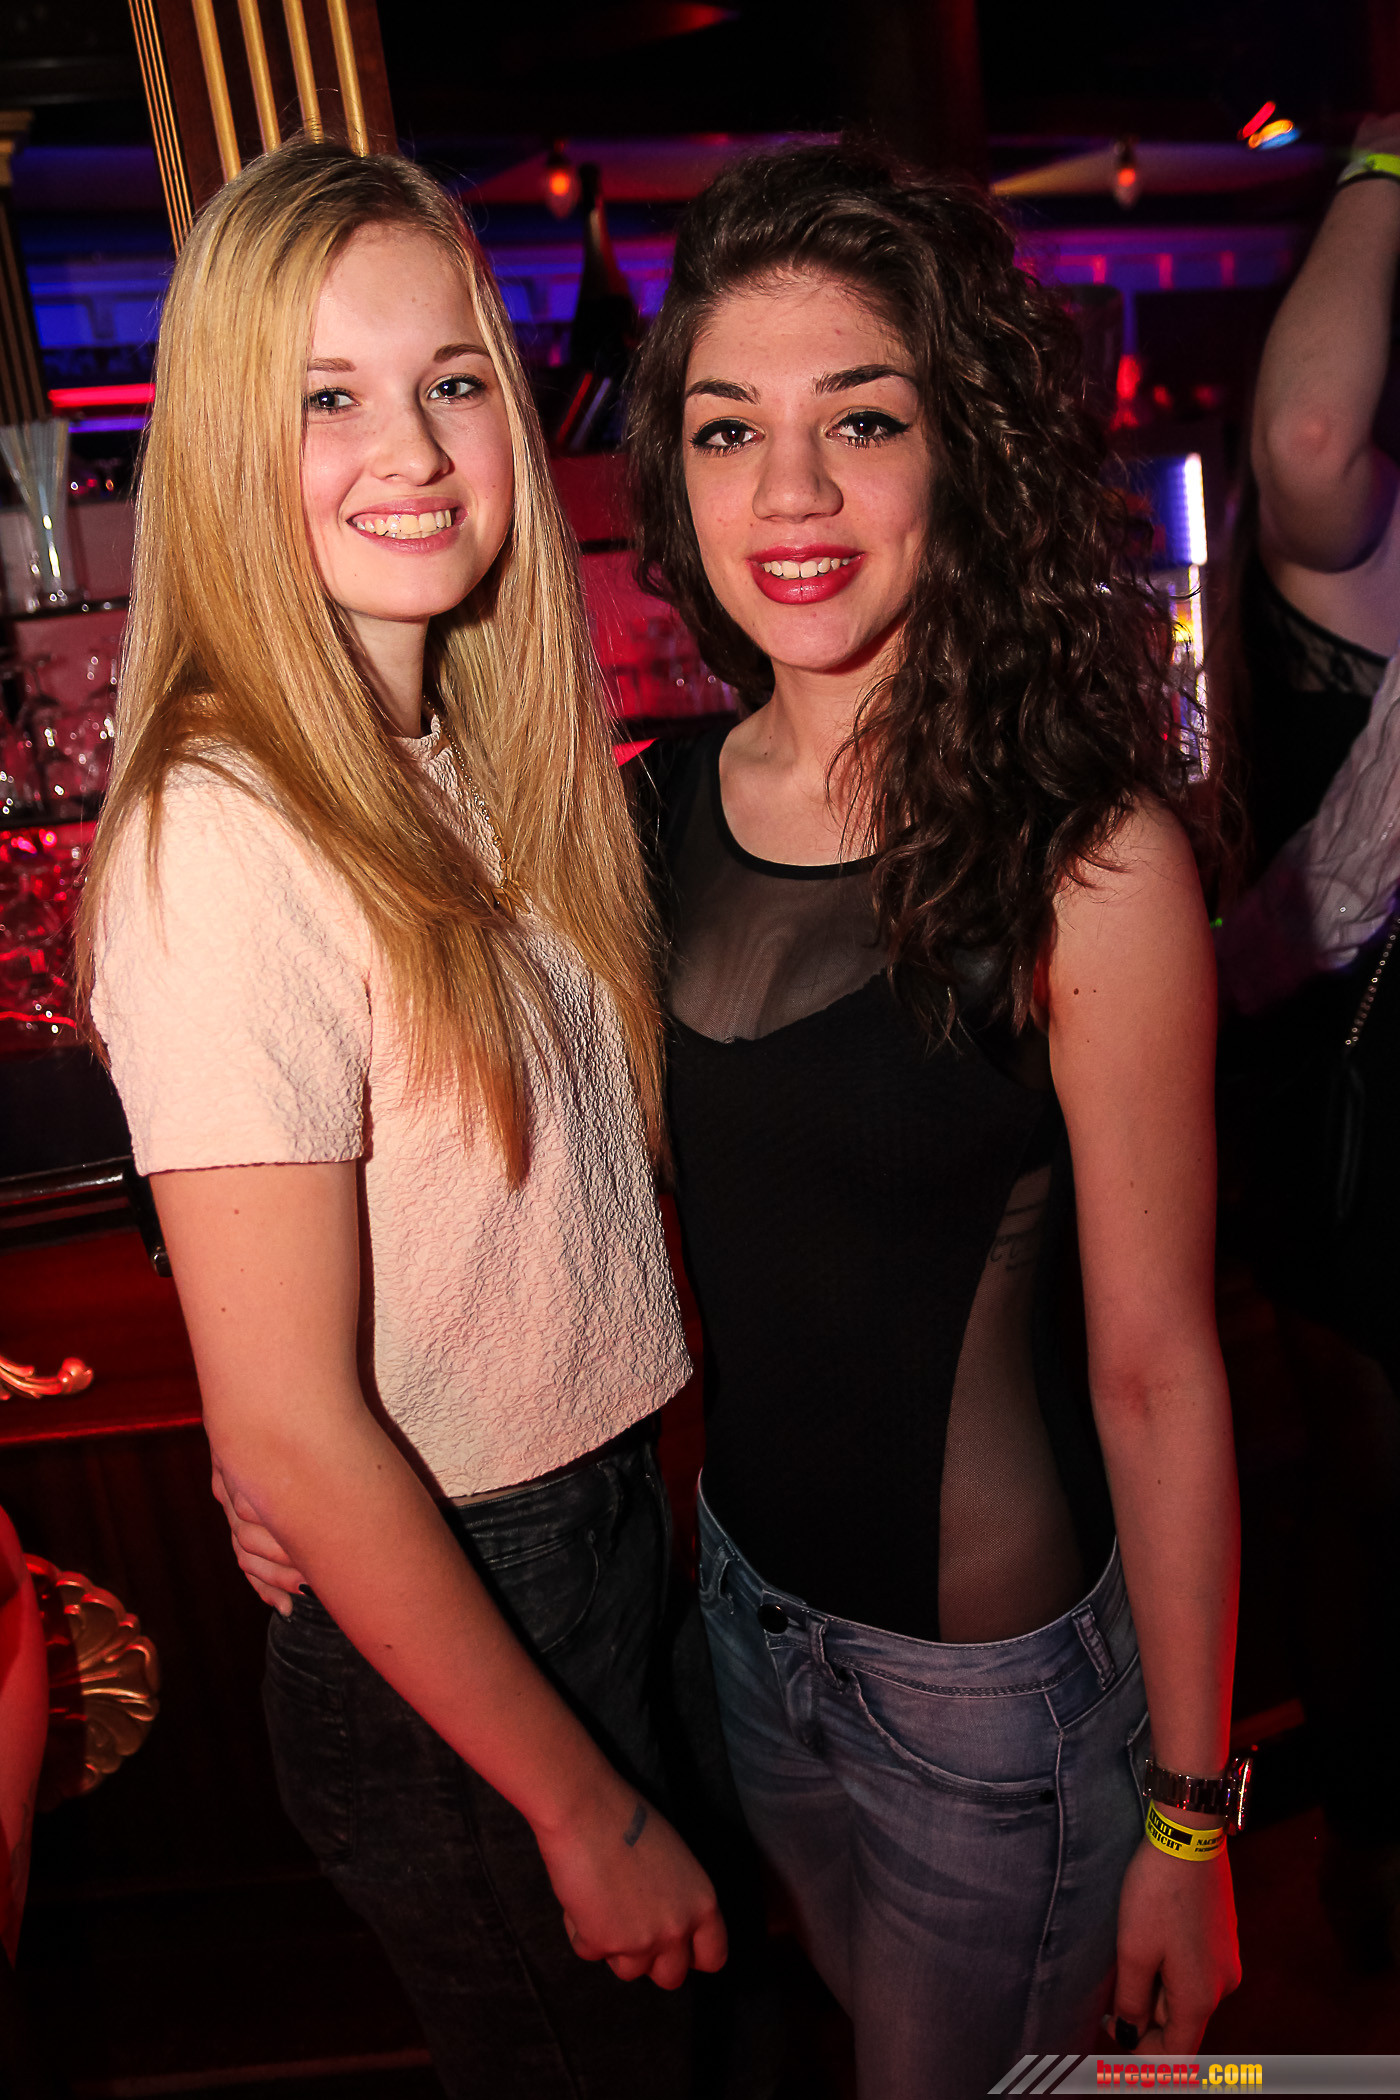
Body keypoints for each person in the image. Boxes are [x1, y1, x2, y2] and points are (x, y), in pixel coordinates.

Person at [77, 139, 726, 2100]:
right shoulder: (224, 828)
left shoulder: (469, 756)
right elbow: (292, 1422)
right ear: (223, 450)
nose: (416, 450)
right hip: (469, 1624)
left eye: (451, 380)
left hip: (594, 1543)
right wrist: (580, 1807)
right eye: (327, 398)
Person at [625, 142, 1242, 2095]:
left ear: (960, 452)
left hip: (991, 1708)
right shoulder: (646, 809)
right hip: (741, 1623)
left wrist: (1190, 1825)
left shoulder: (1090, 866)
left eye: (861, 421)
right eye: (730, 430)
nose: (789, 495)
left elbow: (1158, 1370)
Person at [1212, 112, 1400, 1970]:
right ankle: (1372, 1850)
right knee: (1378, 1515)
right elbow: (1310, 441)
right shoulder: (1369, 536)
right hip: (1371, 1133)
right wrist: (1389, 157)